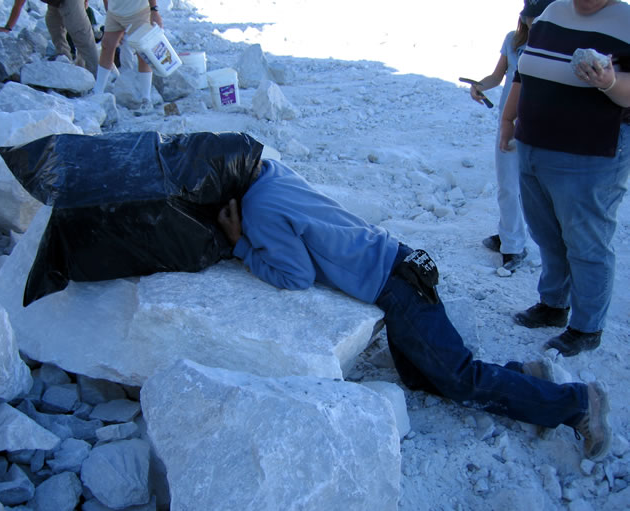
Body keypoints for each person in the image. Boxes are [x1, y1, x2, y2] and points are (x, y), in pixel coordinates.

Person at [215, 156, 612, 461]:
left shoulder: (258, 210)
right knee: (420, 376)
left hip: (395, 286)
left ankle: (577, 404)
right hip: (401, 263)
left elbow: (295, 275)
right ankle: (528, 378)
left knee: (459, 378)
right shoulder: (269, 173)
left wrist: (240, 245)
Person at [499, 0, 630, 357]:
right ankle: (554, 305)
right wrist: (508, 121)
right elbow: (524, 73)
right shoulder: (552, 13)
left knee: (587, 241)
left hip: (591, 155)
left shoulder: (626, 20)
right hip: (534, 145)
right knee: (547, 234)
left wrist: (609, 81)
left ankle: (587, 327)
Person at [467, 1, 543, 270]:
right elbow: (498, 76)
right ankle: (512, 243)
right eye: (529, 16)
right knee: (507, 186)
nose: (533, 21)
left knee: (535, 189)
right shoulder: (513, 40)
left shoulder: (558, 41)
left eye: (539, 15)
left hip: (541, 125)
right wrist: (479, 85)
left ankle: (516, 237)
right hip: (508, 123)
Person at [0, 0, 99, 77]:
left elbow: (19, 4)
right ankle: (64, 60)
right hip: (55, 2)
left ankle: (96, 75)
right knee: (53, 22)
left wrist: (8, 28)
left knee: (81, 35)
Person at [92, 0, 162, 113]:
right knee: (107, 46)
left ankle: (146, 99)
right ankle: (97, 92)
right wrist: (108, 11)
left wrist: (154, 10)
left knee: (142, 52)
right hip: (114, 13)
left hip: (138, 12)